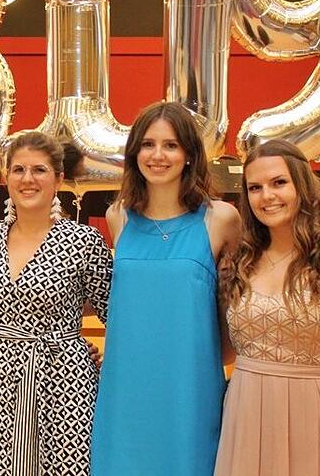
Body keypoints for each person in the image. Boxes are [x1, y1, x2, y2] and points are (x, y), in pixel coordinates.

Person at [91, 102, 240, 475]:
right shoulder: (118, 216)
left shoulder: (220, 219)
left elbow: (238, 303)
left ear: (189, 154)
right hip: (126, 386)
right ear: (134, 153)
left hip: (189, 384)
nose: (158, 155)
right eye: (148, 144)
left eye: (171, 145)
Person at [0, 131, 112, 476]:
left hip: (65, 382)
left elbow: (117, 314)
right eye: (18, 170)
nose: (28, 179)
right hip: (0, 382)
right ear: (6, 177)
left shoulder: (83, 239)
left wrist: (98, 358)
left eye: (39, 170)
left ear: (59, 179)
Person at [215, 140, 320, 475]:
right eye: (255, 187)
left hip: (317, 416)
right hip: (245, 413)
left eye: (279, 183)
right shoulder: (237, 264)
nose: (267, 196)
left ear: (303, 186)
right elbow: (221, 351)